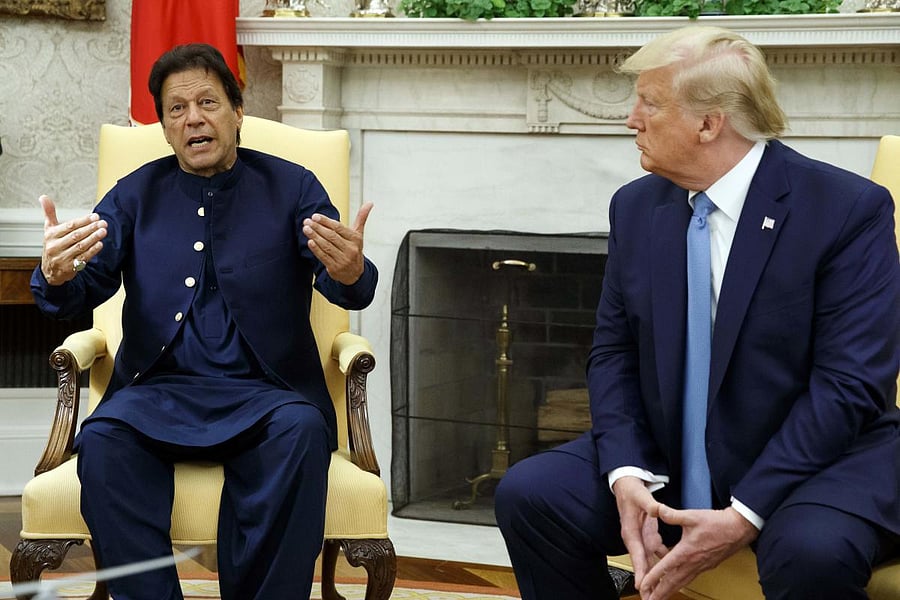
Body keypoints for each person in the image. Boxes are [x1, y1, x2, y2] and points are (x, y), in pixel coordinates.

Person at [495, 25, 900, 600]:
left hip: (812, 462)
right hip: (670, 450)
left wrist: (744, 512)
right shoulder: (636, 206)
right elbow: (613, 352)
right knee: (531, 494)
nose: (630, 119)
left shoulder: (845, 210)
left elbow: (849, 385)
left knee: (811, 552)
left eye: (650, 103)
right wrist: (626, 471)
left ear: (710, 124)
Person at [31, 43, 378, 600]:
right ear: (165, 129)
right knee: (104, 440)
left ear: (238, 112)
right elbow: (81, 289)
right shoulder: (135, 193)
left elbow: (341, 279)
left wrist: (353, 269)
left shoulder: (293, 187)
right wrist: (55, 274)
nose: (193, 118)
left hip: (267, 394)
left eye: (208, 102)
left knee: (304, 430)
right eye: (176, 109)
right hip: (158, 390)